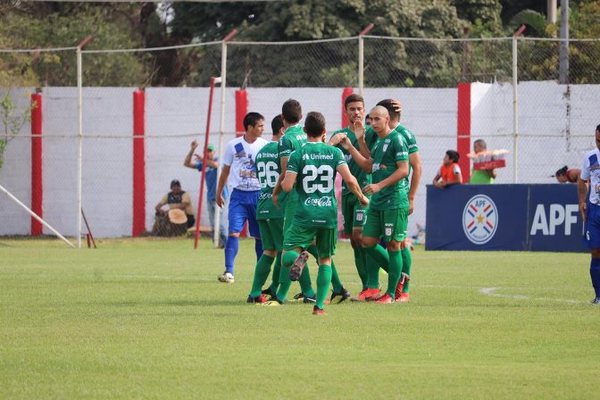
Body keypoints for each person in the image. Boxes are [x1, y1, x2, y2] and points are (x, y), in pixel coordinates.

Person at [278, 111, 369, 315]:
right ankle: (319, 307)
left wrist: (286, 182)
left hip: (304, 214)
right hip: (327, 214)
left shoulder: (298, 154)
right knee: (325, 260)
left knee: (286, 255)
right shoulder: (334, 153)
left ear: (305, 130)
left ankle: (298, 258)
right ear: (325, 132)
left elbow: (287, 186)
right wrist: (362, 198)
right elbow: (350, 180)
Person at [338, 105, 410, 304]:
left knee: (394, 245)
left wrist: (380, 185)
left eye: (377, 119)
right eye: (372, 119)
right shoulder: (378, 142)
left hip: (394, 200)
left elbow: (404, 170)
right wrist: (353, 146)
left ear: (387, 119)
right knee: (366, 241)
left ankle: (391, 293)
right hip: (378, 202)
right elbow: (369, 165)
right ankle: (400, 277)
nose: (373, 122)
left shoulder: (397, 139)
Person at [376, 99, 422, 302]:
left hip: (397, 197)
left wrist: (411, 197)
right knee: (372, 241)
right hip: (381, 197)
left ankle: (404, 289)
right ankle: (395, 284)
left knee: (400, 243)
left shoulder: (404, 134)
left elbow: (416, 167)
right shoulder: (379, 135)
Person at [215, 112, 269, 284]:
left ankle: (261, 274)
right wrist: (219, 192)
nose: (263, 128)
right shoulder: (234, 145)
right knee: (234, 232)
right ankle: (229, 271)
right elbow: (225, 170)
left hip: (259, 195)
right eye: (260, 125)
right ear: (250, 127)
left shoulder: (265, 146)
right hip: (238, 195)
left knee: (260, 237)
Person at [328, 94, 371, 292]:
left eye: (359, 109)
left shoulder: (370, 133)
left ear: (364, 110)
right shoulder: (340, 135)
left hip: (365, 190)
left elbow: (371, 161)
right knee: (354, 241)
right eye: (352, 109)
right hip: (347, 193)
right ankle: (365, 286)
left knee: (360, 235)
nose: (356, 112)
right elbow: (322, 156)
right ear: (346, 112)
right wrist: (331, 142)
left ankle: (375, 281)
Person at [246, 115, 285, 303]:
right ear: (283, 130)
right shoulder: (283, 150)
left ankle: (255, 292)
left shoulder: (262, 151)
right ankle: (305, 291)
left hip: (262, 203)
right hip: (278, 206)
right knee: (287, 251)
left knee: (269, 250)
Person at [183, 140, 226, 247]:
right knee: (212, 223)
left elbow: (217, 166)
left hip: (220, 196)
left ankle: (226, 244)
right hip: (210, 197)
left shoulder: (219, 160)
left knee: (219, 223)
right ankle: (218, 244)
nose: (208, 153)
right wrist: (192, 149)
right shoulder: (203, 164)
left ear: (214, 152)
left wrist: (203, 160)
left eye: (210, 151)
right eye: (206, 151)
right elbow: (186, 164)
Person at [577, 124, 600, 305]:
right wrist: (582, 201)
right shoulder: (590, 157)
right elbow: (582, 180)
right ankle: (599, 295)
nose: (598, 142)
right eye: (597, 139)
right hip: (594, 209)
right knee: (595, 251)